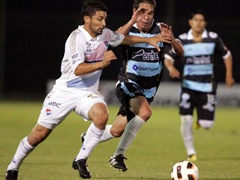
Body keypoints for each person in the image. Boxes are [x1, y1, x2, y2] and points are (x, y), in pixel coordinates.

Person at [5, 1, 172, 180]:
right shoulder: (76, 38)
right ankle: (13, 167)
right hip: (65, 91)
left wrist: (146, 36)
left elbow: (122, 38)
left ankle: (81, 159)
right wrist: (103, 63)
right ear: (87, 19)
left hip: (87, 93)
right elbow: (78, 69)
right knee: (39, 135)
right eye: (99, 19)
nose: (103, 23)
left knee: (101, 115)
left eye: (104, 19)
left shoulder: (104, 34)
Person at [81, 0, 184, 172]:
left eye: (150, 13)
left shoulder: (161, 29)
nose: (146, 17)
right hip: (128, 82)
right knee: (145, 112)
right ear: (135, 11)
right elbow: (112, 41)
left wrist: (172, 39)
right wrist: (131, 21)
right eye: (142, 12)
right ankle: (118, 156)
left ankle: (88, 137)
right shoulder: (129, 29)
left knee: (116, 131)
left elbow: (180, 52)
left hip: (148, 89)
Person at [164, 9, 235, 161]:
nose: (198, 23)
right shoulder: (182, 39)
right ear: (190, 22)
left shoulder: (213, 38)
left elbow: (227, 55)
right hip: (188, 85)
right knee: (186, 119)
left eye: (201, 20)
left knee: (207, 124)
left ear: (205, 23)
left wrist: (229, 74)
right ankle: (191, 152)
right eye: (195, 20)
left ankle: (200, 120)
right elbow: (168, 57)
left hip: (207, 86)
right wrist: (171, 68)